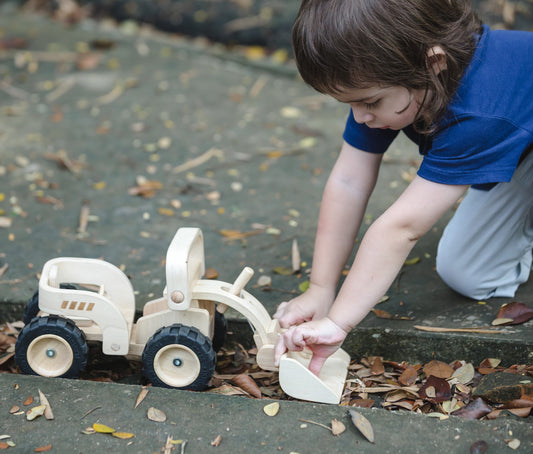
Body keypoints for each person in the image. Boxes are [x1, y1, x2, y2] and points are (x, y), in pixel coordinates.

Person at [273, 0, 533, 375]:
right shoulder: (394, 75)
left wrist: (338, 323)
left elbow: (403, 227)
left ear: (433, 63)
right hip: (523, 145)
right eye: (350, 103)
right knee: (470, 274)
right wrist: (320, 288)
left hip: (513, 129)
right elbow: (349, 180)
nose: (360, 116)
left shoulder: (477, 114)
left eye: (369, 102)